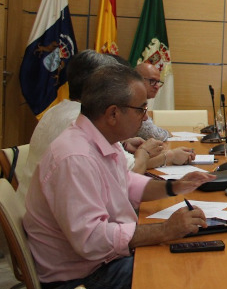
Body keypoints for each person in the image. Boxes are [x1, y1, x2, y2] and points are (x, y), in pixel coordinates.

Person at [23, 64, 214, 289]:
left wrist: (174, 186)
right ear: (113, 113)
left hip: (99, 263)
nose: (145, 117)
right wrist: (165, 230)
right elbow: (91, 239)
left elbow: (126, 184)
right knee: (184, 274)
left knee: (186, 257)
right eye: (141, 109)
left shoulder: (101, 139)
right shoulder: (75, 158)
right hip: (79, 281)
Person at [19, 51, 186, 196]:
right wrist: (149, 153)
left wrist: (124, 145)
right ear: (97, 86)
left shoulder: (57, 109)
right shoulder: (85, 122)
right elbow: (126, 174)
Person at [135, 62, 170, 141]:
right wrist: (168, 133)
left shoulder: (141, 100)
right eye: (152, 81)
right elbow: (154, 135)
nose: (157, 86)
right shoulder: (132, 101)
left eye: (158, 82)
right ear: (137, 79)